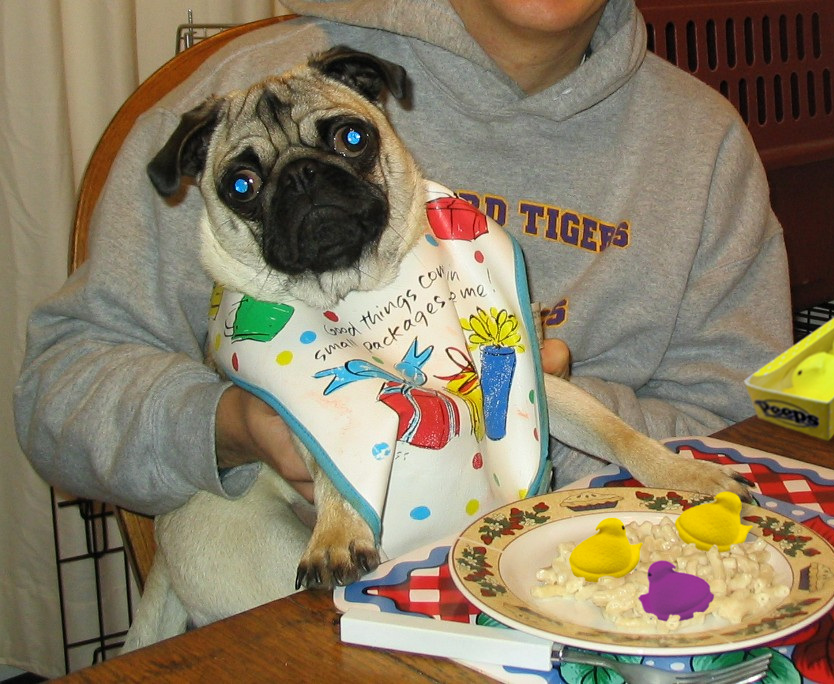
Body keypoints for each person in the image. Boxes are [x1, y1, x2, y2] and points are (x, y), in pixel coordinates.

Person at [14, 0, 792, 518]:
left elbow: (746, 433)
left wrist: (522, 410)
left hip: (607, 588)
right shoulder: (240, 97)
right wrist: (241, 425)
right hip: (294, 613)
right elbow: (62, 387)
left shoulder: (702, 143)